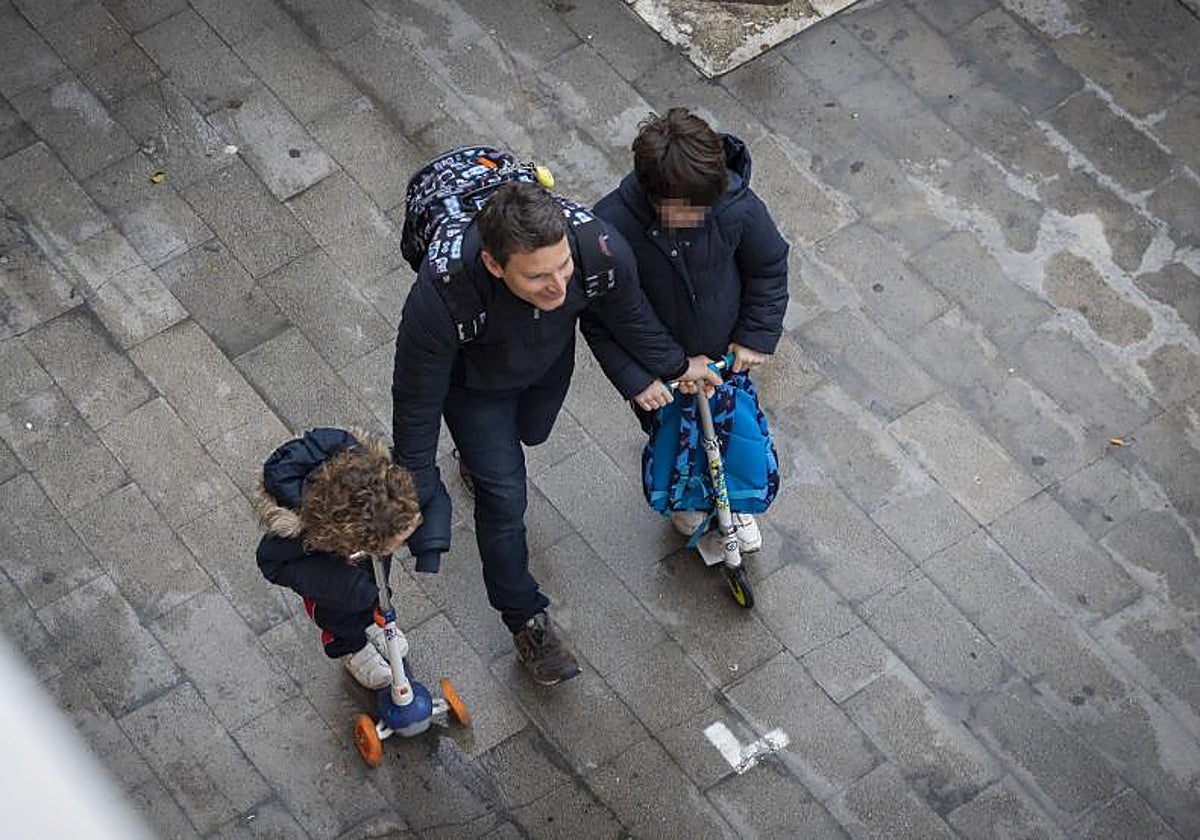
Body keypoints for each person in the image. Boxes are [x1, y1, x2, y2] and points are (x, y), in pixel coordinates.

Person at [391, 180, 720, 686]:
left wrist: (678, 366)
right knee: (504, 500)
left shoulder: (594, 246)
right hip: (474, 391)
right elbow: (416, 399)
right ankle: (524, 616)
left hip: (544, 367)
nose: (560, 287)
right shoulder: (442, 295)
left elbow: (627, 315)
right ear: (495, 266)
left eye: (563, 266)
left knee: (533, 432)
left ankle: (479, 461)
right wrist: (414, 486)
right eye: (539, 276)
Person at [585, 107, 789, 551]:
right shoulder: (610, 229)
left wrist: (755, 335)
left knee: (731, 431)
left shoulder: (735, 205)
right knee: (671, 436)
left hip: (723, 362)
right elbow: (599, 319)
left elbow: (769, 267)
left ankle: (731, 502)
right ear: (654, 195)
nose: (699, 216)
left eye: (705, 206)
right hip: (660, 376)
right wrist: (639, 380)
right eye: (687, 210)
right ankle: (686, 500)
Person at [255, 427, 423, 690]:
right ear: (357, 537)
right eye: (396, 541)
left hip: (362, 562)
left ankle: (372, 617)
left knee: (376, 583)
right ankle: (349, 646)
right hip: (330, 585)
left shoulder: (375, 485)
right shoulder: (298, 535)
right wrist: (347, 586)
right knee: (340, 612)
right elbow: (271, 563)